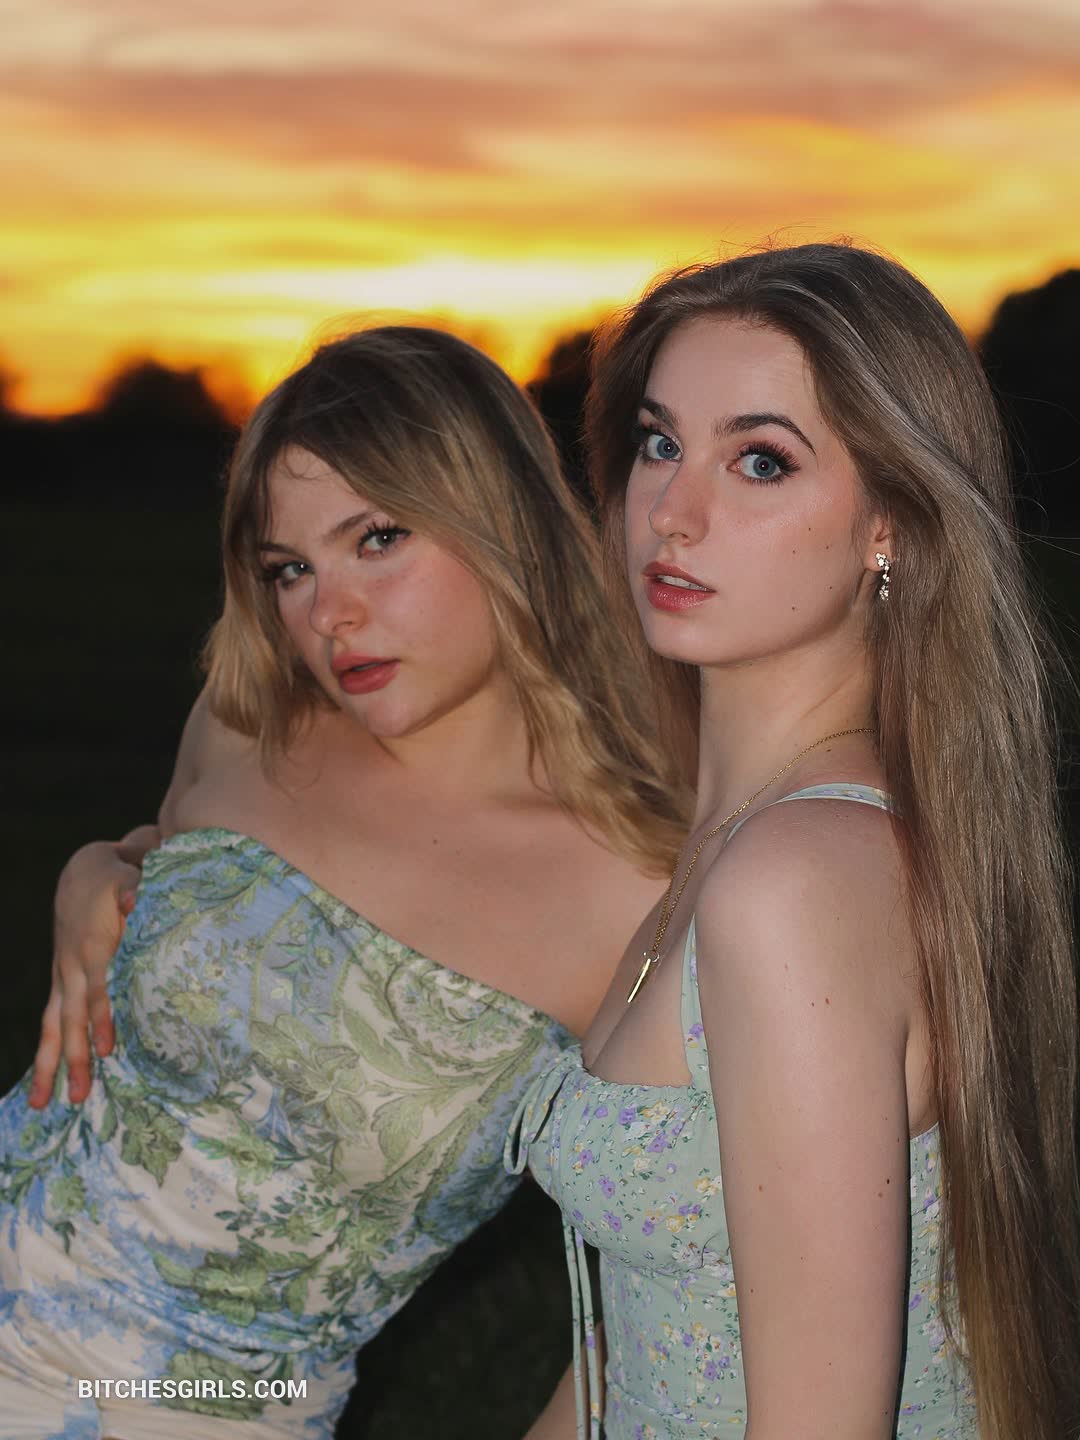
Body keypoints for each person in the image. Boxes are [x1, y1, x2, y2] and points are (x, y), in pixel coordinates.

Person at [0, 324, 688, 1438]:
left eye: (378, 538)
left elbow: (681, 1280)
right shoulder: (246, 728)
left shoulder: (638, 896)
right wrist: (96, 873)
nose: (329, 614)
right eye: (291, 569)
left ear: (502, 520)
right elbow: (171, 875)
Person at [508, 244, 1080, 1440]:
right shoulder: (745, 841)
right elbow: (644, 1335)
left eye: (760, 460)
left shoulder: (793, 881)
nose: (673, 513)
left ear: (889, 525)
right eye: (660, 443)